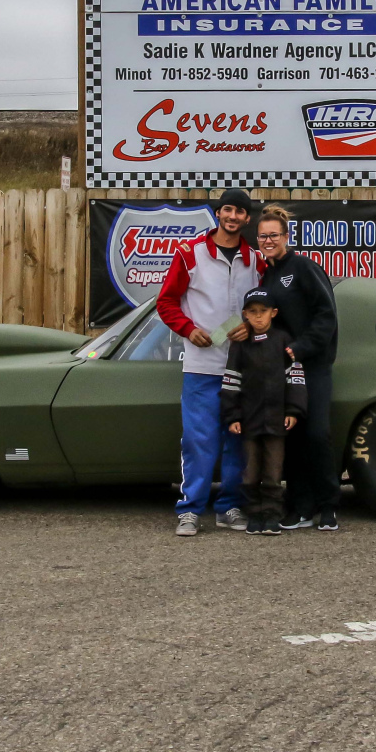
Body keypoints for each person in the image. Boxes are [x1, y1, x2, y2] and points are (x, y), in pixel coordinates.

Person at [154, 188, 262, 537]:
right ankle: (189, 509)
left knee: (237, 440)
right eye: (227, 209)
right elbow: (166, 302)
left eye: (240, 212)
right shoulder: (190, 254)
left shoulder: (255, 260)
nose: (233, 216)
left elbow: (265, 307)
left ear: (247, 218)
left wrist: (251, 326)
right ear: (218, 213)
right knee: (198, 441)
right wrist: (188, 329)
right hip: (201, 365)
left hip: (242, 367)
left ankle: (229, 506)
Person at [250, 205, 343, 531]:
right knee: (293, 437)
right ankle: (302, 506)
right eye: (263, 236)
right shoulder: (267, 275)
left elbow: (326, 315)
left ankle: (328, 505)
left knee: (317, 433)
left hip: (312, 366)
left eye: (273, 235)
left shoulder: (303, 267)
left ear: (286, 236)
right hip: (283, 372)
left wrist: (300, 348)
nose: (268, 240)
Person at [219, 288, 307, 535]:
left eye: (263, 311)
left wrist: (293, 410)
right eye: (253, 312)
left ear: (273, 313)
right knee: (250, 473)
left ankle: (271, 515)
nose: (258, 316)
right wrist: (232, 416)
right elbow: (231, 382)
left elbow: (296, 378)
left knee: (273, 472)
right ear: (245, 314)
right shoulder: (239, 345)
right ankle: (254, 515)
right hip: (249, 422)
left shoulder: (284, 340)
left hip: (277, 422)